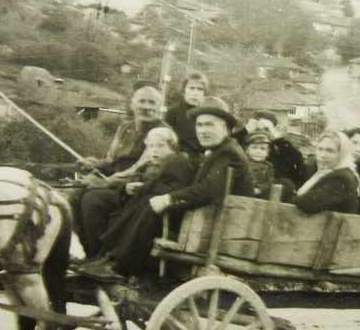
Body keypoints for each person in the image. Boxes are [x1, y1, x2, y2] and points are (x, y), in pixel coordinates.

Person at [79, 97, 254, 279]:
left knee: (152, 204)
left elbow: (209, 189)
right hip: (206, 216)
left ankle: (120, 266)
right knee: (146, 198)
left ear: (225, 128)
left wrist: (168, 199)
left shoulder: (228, 153)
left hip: (221, 225)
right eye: (200, 125)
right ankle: (109, 257)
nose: (203, 131)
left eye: (210, 125)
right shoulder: (217, 151)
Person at [78, 127, 191, 256]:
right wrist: (127, 188)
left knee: (94, 199)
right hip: (136, 199)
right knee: (91, 197)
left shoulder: (177, 162)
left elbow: (174, 188)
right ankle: (94, 251)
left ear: (173, 148)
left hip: (154, 209)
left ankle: (100, 253)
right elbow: (135, 179)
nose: (155, 150)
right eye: (151, 146)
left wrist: (142, 187)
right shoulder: (149, 163)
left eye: (161, 146)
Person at [294, 130, 360, 214]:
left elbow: (307, 203)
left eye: (330, 151)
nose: (323, 155)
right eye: (320, 149)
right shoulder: (325, 171)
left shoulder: (342, 178)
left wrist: (316, 177)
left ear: (341, 154)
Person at [241, 110, 307, 189]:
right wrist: (244, 131)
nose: (261, 132)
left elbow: (296, 160)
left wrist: (277, 137)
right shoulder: (245, 143)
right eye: (257, 129)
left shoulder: (278, 148)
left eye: (266, 129)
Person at [163, 71, 208, 159]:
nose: (195, 92)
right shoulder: (173, 112)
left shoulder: (207, 112)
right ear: (184, 90)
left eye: (200, 89)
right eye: (191, 88)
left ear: (204, 93)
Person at [244, 132, 277, 199]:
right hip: (243, 193)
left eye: (262, 148)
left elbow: (269, 182)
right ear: (247, 150)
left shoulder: (268, 166)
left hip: (261, 196)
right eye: (254, 147)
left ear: (268, 152)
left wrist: (260, 189)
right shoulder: (243, 163)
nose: (258, 151)